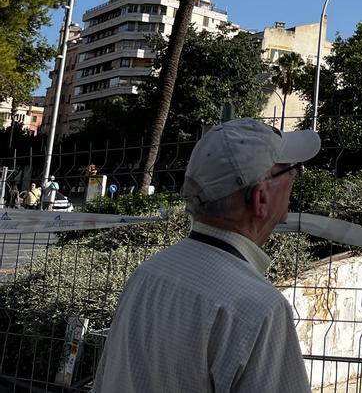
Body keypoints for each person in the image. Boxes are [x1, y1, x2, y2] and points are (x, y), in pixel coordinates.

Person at [92, 118, 320, 392]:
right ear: (260, 198)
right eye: (292, 171)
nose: (295, 179)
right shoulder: (261, 311)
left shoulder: (146, 276)